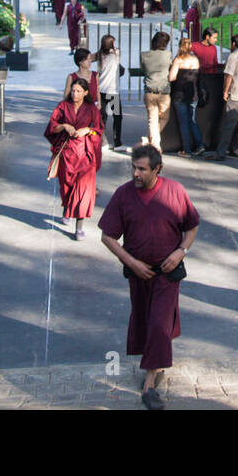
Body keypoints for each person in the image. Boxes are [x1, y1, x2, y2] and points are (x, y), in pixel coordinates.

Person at [99, 145, 200, 410]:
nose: (135, 173)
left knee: (158, 322)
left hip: (167, 274)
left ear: (157, 169)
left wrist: (180, 252)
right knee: (146, 320)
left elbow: (191, 226)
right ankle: (157, 364)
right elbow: (107, 236)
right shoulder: (123, 195)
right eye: (133, 167)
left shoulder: (175, 191)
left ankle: (149, 386)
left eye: (142, 169)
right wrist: (131, 261)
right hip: (138, 274)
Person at [45, 76, 104, 240]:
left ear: (86, 92)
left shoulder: (92, 109)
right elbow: (51, 126)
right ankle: (67, 209)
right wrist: (64, 126)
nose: (75, 94)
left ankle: (79, 227)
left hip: (85, 154)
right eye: (73, 91)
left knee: (83, 191)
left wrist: (87, 130)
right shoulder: (63, 106)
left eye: (78, 91)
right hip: (67, 154)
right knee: (66, 187)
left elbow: (98, 129)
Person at [207, 34, 238, 161]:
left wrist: (225, 91)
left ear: (233, 44)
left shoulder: (233, 56)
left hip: (236, 94)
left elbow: (228, 76)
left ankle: (221, 152)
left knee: (228, 125)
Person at [168, 37, 206, 156]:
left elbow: (171, 77)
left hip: (180, 94)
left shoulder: (178, 59)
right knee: (192, 120)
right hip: (193, 94)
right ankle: (200, 145)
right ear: (190, 47)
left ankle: (187, 150)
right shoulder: (196, 60)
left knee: (183, 123)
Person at [140, 31, 173, 151]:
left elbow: (143, 69)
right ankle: (154, 144)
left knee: (152, 120)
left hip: (149, 91)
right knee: (164, 118)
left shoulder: (144, 55)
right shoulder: (168, 55)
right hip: (164, 91)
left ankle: (153, 141)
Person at [96, 34, 126, 152]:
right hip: (113, 91)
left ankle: (102, 142)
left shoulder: (99, 55)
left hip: (101, 90)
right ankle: (117, 142)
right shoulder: (116, 53)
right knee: (117, 117)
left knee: (102, 117)